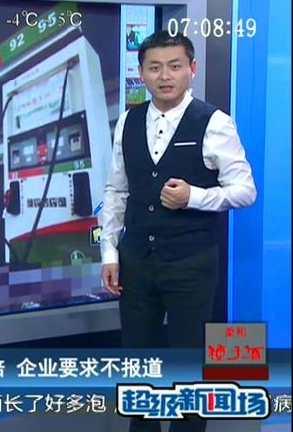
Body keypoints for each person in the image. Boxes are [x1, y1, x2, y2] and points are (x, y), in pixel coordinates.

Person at [100, 31, 256, 432]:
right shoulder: (128, 122)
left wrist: (194, 196)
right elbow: (116, 190)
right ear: (141, 73)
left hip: (190, 263)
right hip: (137, 262)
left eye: (174, 66)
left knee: (189, 364)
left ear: (192, 69)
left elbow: (245, 191)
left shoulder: (214, 122)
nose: (164, 76)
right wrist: (110, 253)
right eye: (154, 67)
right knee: (139, 363)